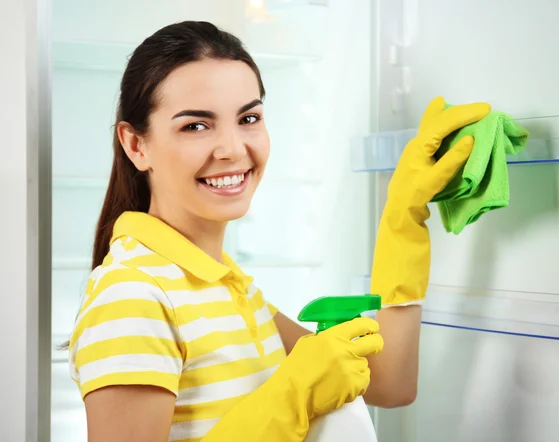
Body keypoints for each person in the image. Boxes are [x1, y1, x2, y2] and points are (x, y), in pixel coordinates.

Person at [68, 20, 490, 442]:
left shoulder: (232, 289)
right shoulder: (133, 296)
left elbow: (388, 383)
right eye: (195, 126)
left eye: (248, 117)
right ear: (136, 145)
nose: (233, 148)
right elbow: (308, 392)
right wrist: (295, 395)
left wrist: (404, 217)